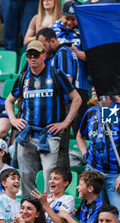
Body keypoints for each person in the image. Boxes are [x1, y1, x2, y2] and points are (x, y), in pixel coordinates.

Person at [5, 40, 82, 196]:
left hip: (49, 134)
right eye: (29, 55)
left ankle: (48, 211)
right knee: (26, 176)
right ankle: (29, 208)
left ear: (44, 56)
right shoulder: (23, 78)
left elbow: (77, 99)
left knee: (50, 175)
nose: (32, 58)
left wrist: (65, 123)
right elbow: (9, 100)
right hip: (27, 134)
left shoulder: (56, 73)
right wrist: (13, 119)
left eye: (36, 55)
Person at [77, 94, 120, 223]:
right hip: (94, 170)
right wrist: (86, 155)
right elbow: (80, 135)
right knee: (96, 217)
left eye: (96, 87)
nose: (92, 90)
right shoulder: (90, 112)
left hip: (115, 174)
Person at [36, 27, 88, 168]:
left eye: (44, 46)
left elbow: (67, 80)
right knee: (58, 147)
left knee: (59, 147)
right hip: (64, 103)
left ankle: (60, 181)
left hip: (67, 103)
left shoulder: (63, 53)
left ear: (53, 41)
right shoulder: (55, 55)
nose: (43, 50)